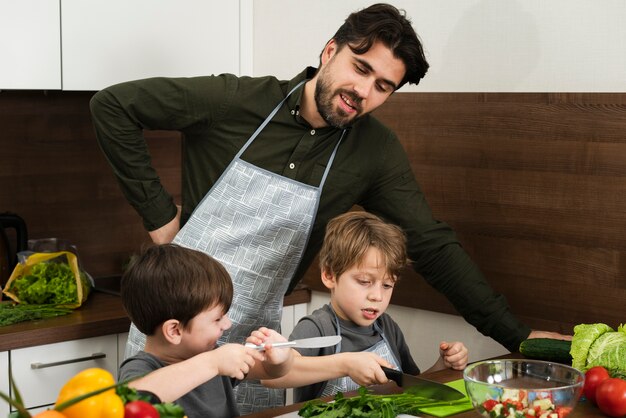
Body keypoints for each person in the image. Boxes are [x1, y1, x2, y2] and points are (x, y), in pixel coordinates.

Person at [90, 2, 567, 413]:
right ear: (330, 50)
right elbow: (112, 106)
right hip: (170, 338)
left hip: (259, 345)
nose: (364, 92)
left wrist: (518, 337)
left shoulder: (373, 151)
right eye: (361, 68)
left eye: (384, 86)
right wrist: (160, 220)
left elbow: (433, 246)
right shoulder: (234, 101)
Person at [254, 211, 468, 401]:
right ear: (329, 275)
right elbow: (273, 377)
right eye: (364, 282)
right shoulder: (317, 327)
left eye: (387, 285)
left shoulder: (387, 327)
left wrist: (442, 367)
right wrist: (345, 364)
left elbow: (409, 384)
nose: (377, 296)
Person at [118, 244, 294, 418]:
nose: (227, 324)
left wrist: (279, 359)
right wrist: (213, 363)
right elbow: (135, 401)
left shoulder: (212, 354)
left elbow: (270, 372)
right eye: (217, 319)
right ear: (174, 331)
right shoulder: (141, 369)